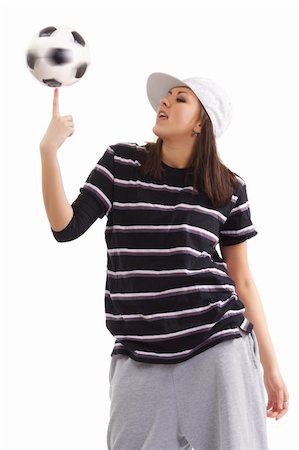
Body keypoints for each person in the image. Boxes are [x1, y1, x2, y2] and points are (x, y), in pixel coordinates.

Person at [39, 72, 289, 450]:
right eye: (166, 96)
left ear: (202, 122)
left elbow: (244, 280)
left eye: (181, 98)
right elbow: (65, 227)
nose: (166, 102)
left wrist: (271, 366)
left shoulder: (228, 188)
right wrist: (48, 152)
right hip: (139, 356)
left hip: (217, 348)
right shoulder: (121, 163)